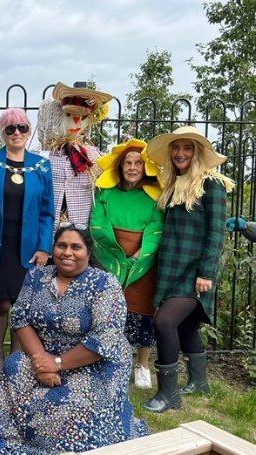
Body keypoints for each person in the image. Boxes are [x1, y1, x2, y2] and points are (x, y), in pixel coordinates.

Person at [0, 224, 148, 454]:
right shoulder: (37, 276)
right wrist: (42, 362)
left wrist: (58, 363)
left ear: (88, 252)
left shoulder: (104, 284)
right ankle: (16, 435)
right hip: (45, 355)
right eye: (62, 246)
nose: (67, 252)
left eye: (75, 247)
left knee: (71, 404)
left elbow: (104, 339)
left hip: (96, 363)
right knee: (13, 367)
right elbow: (20, 318)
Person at [143, 126, 235, 413]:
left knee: (165, 322)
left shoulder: (211, 184)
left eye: (187, 148)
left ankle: (169, 394)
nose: (180, 153)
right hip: (172, 267)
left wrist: (206, 272)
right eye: (176, 148)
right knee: (185, 325)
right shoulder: (172, 184)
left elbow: (216, 232)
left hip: (195, 271)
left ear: (197, 153)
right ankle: (199, 382)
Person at [0, 107, 54, 379]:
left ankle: (16, 356)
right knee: (1, 303)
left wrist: (45, 246)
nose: (16, 133)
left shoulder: (41, 165)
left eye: (21, 127)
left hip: (29, 247)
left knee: (22, 305)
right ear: (2, 132)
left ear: (29, 130)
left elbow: (48, 211)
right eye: (10, 128)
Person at [90, 138, 164, 389]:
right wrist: (116, 255)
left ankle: (142, 365)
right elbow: (98, 225)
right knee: (111, 314)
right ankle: (111, 361)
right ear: (120, 167)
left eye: (138, 163)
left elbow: (157, 228)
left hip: (143, 262)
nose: (132, 168)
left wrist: (140, 254)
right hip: (111, 259)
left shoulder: (154, 196)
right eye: (128, 163)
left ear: (145, 168)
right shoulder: (105, 194)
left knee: (143, 313)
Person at [37, 81, 113, 228]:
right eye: (69, 115)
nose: (76, 121)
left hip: (80, 232)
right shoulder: (41, 155)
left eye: (82, 117)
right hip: (46, 232)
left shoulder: (93, 157)